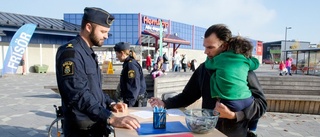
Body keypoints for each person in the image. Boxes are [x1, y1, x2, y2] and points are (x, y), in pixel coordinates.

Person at [148, 24, 267, 137]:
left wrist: (234, 115)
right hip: (208, 132)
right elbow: (187, 96)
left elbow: (261, 104)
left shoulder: (241, 68)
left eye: (210, 47)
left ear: (224, 46)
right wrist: (165, 103)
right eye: (205, 47)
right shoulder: (204, 68)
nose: (206, 52)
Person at [55, 7, 140, 137]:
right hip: (82, 130)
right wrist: (111, 118)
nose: (106, 36)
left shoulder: (88, 52)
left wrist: (111, 103)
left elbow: (95, 90)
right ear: (88, 27)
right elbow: (78, 94)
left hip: (95, 125)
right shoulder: (71, 53)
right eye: (103, 31)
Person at [208, 36, 259, 112]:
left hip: (230, 100)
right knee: (252, 119)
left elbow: (208, 64)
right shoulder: (245, 60)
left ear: (227, 47)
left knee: (218, 115)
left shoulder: (220, 58)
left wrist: (208, 57)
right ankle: (253, 124)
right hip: (248, 99)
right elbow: (256, 64)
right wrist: (250, 57)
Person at [114, 42, 147, 107]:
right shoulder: (128, 63)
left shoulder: (130, 65)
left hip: (135, 101)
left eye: (117, 54)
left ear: (122, 53)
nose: (116, 56)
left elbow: (133, 86)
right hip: (135, 99)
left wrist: (130, 105)